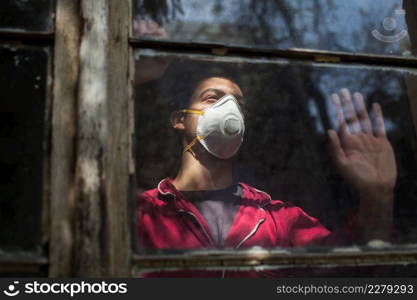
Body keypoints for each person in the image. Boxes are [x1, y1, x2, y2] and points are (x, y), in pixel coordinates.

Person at [136, 75, 397, 277]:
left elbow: (357, 269)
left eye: (238, 104)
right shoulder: (142, 212)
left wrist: (377, 197)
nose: (230, 109)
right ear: (179, 119)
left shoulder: (279, 219)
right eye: (212, 98)